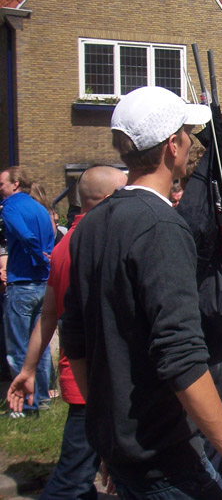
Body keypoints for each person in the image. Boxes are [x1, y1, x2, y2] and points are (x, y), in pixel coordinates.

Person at [59, 86, 222, 499]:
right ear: (172, 146)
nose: (190, 143)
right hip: (167, 455)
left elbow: (76, 340)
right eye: (187, 135)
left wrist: (111, 436)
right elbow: (181, 356)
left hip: (125, 447)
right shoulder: (161, 227)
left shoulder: (91, 224)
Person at [7, 165, 128, 499]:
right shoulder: (94, 243)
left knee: (85, 475)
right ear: (108, 198)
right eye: (123, 192)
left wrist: (29, 369)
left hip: (84, 376)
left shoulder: (65, 245)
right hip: (93, 377)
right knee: (71, 480)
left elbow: (48, 315)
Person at [0, 166, 55, 417]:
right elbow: (49, 238)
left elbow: (25, 235)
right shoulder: (40, 208)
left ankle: (24, 403)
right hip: (43, 284)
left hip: (22, 282)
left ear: (15, 184)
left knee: (18, 347)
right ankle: (42, 397)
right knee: (38, 346)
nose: (0, 189)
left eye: (2, 184)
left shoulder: (10, 207)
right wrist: (46, 260)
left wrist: (38, 257)